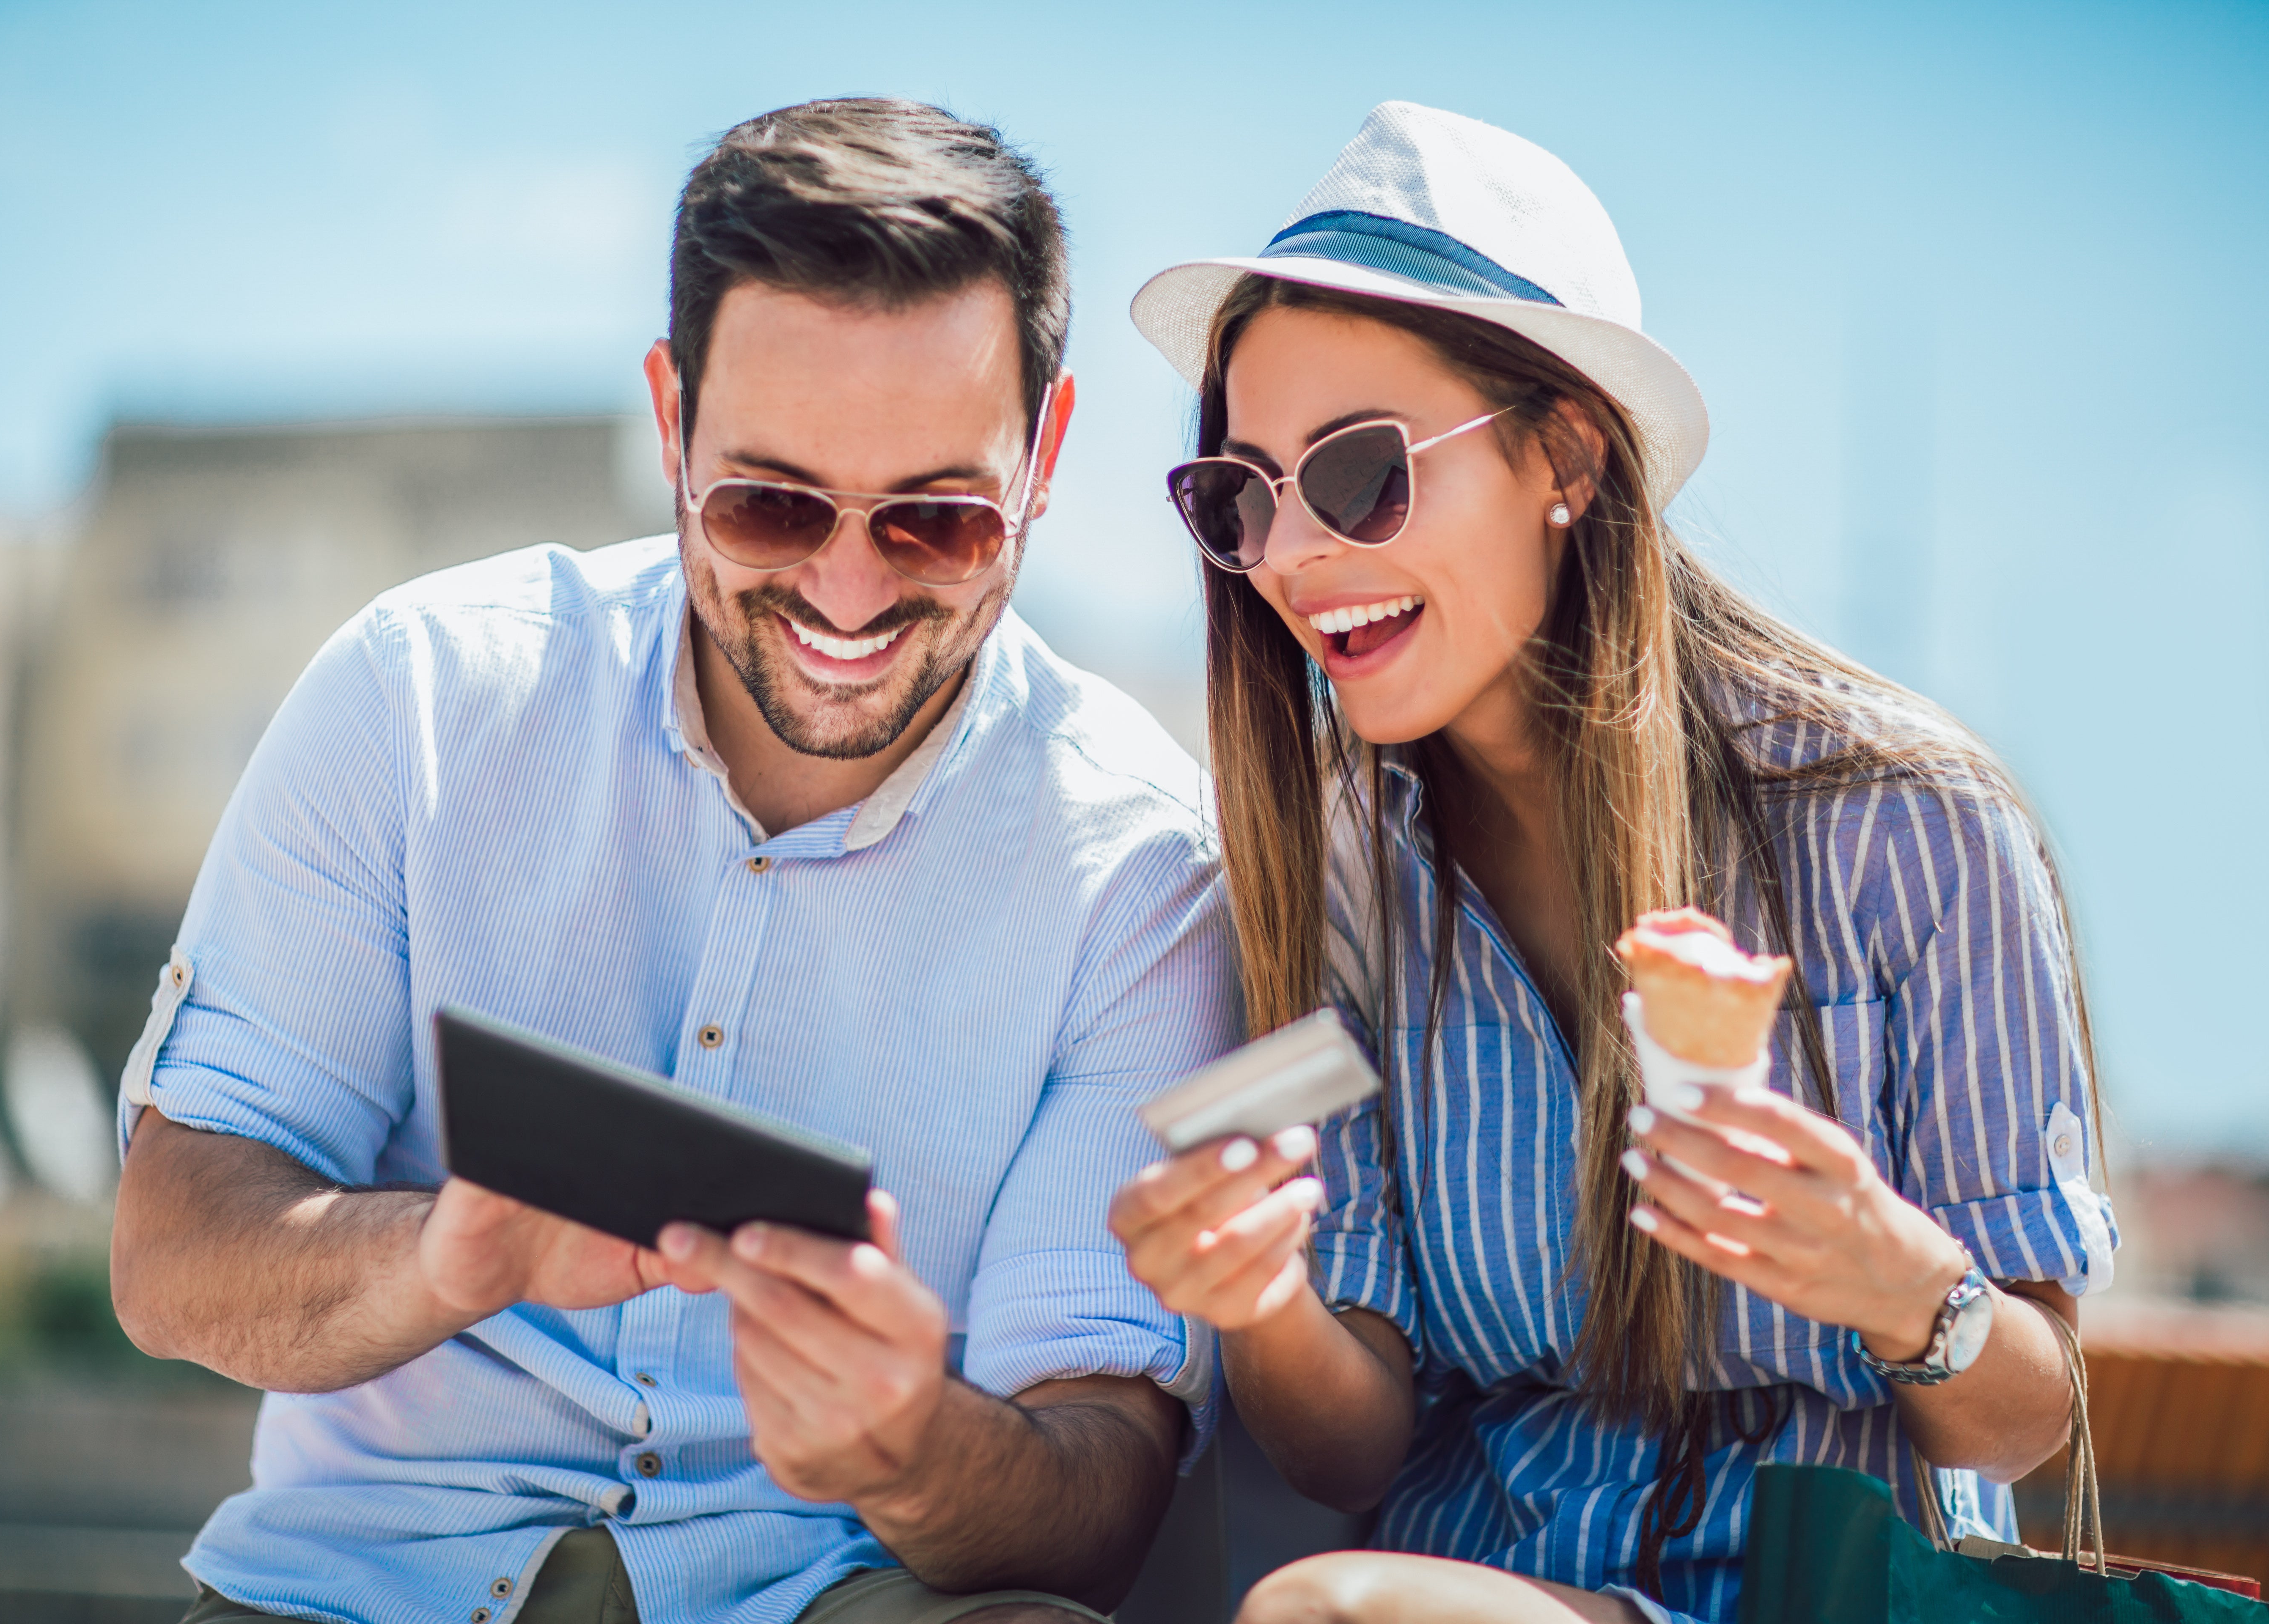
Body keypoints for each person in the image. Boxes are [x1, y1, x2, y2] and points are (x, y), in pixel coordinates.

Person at [110, 98, 1232, 1624]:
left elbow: (1099, 1493)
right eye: (770, 503)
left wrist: (911, 1451)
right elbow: (171, 1256)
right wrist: (445, 1260)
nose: (848, 591)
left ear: (1046, 454)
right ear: (670, 416)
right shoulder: (418, 696)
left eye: (938, 522)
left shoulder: (1141, 869)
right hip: (373, 1586)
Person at [1107, 103, 2118, 1624]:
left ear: (1565, 456)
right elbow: (1346, 1445)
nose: (1292, 554)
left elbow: (2027, 1423)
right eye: (1240, 497)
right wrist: (1258, 1303)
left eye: (1361, 475)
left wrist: (1895, 1277)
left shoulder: (1914, 820)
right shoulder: (1334, 869)